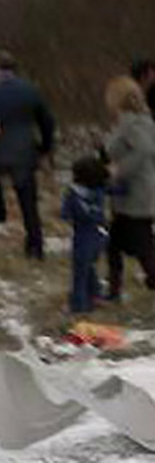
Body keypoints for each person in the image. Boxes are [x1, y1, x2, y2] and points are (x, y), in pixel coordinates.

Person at [0, 51, 56, 260]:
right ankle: (34, 246)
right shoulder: (31, 91)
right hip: (24, 150)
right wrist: (45, 148)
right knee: (28, 203)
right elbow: (47, 122)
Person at [103, 76, 155, 301]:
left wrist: (118, 170)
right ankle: (113, 292)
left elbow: (144, 150)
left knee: (142, 244)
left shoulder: (135, 123)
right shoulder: (133, 121)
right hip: (127, 194)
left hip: (137, 192)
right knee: (115, 244)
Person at [62, 154, 112, 313]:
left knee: (79, 272)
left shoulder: (74, 194)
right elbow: (121, 189)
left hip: (83, 237)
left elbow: (65, 214)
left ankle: (79, 305)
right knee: (88, 266)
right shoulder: (99, 190)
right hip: (100, 235)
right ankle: (95, 293)